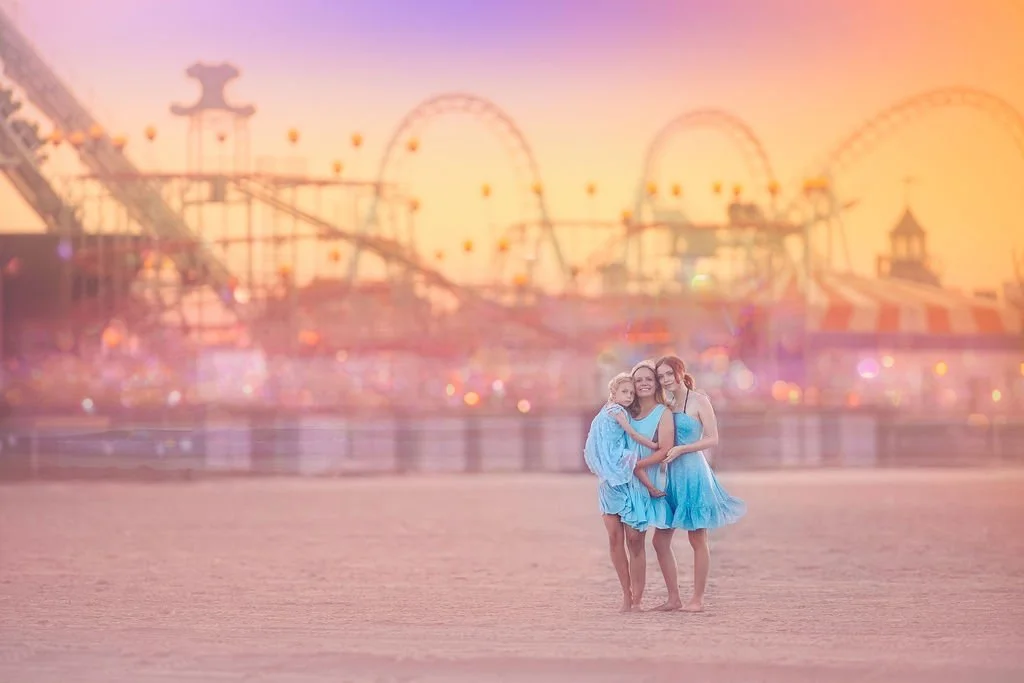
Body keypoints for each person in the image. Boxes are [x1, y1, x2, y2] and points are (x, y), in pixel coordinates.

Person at [647, 355, 747, 613]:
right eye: (661, 377)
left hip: (693, 471)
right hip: (670, 475)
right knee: (659, 540)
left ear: (680, 372)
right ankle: (673, 597)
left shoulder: (699, 400)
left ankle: (698, 599)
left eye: (669, 374)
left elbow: (713, 439)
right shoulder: (666, 403)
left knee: (697, 538)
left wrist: (683, 449)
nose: (665, 380)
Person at [621, 359, 675, 611]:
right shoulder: (625, 412)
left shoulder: (663, 413)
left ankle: (673, 597)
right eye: (638, 379)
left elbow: (665, 449)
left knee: (656, 540)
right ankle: (635, 599)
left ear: (655, 385)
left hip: (653, 478)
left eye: (648, 380)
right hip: (628, 480)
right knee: (633, 539)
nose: (643, 384)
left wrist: (639, 464)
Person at [584, 372, 666, 500]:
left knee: (631, 464)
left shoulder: (607, 408)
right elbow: (632, 433)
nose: (629, 396)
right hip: (612, 450)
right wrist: (652, 444)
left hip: (605, 448)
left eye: (632, 393)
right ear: (614, 393)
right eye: (624, 392)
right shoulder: (618, 411)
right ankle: (651, 488)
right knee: (634, 461)